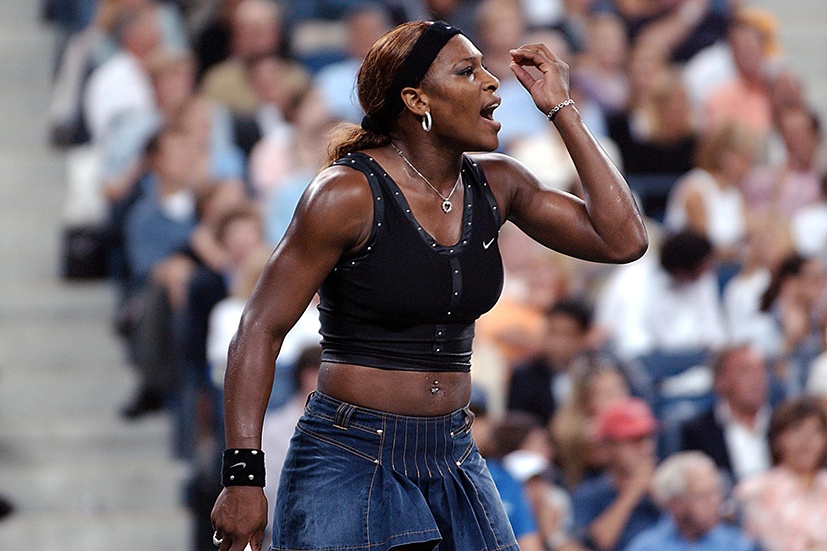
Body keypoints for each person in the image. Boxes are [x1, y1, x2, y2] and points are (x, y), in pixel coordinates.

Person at [210, 19, 647, 550]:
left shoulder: (499, 182)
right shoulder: (345, 194)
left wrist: (562, 109)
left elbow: (624, 240)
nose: (492, 82)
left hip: (454, 452)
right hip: (350, 454)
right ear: (418, 100)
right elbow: (258, 329)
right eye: (468, 71)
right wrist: (242, 475)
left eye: (486, 68)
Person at [570, 396, 662, 551]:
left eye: (648, 437)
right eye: (635, 440)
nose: (647, 448)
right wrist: (633, 493)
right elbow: (594, 545)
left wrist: (661, 496)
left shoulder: (671, 483)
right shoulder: (589, 494)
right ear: (608, 447)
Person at [736, 397, 827, 551]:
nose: (807, 440)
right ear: (777, 439)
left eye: (816, 431)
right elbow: (774, 543)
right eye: (798, 430)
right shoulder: (755, 491)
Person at [680, 344, 774, 485]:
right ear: (720, 381)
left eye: (761, 370)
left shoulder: (783, 423)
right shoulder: (698, 432)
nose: (757, 378)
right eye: (745, 371)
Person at [626, 451, 757, 551]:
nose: (715, 502)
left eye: (716, 493)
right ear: (675, 503)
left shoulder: (737, 544)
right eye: (704, 496)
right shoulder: (646, 547)